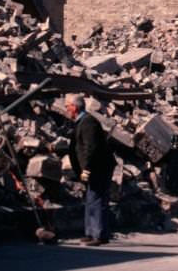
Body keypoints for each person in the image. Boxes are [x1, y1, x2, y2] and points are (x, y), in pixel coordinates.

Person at [66, 94, 116, 245]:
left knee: (97, 199)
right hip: (94, 167)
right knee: (91, 199)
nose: (66, 109)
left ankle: (99, 235)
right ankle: (90, 232)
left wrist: (86, 169)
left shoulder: (88, 122)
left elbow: (91, 147)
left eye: (67, 106)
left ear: (74, 107)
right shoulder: (82, 121)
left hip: (98, 167)